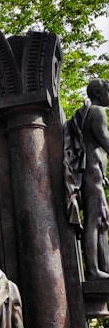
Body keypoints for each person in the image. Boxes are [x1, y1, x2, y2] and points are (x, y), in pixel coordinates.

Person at [64, 78, 109, 279]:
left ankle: (102, 267)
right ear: (98, 93)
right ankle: (93, 270)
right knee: (95, 219)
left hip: (95, 172)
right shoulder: (97, 111)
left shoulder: (90, 112)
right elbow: (105, 139)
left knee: (102, 221)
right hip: (92, 172)